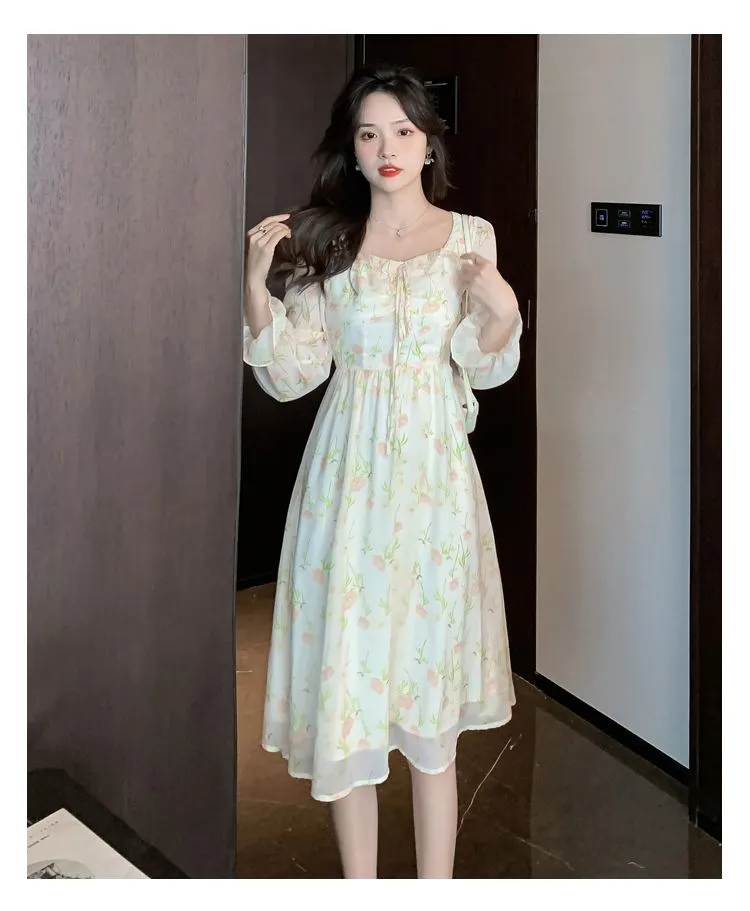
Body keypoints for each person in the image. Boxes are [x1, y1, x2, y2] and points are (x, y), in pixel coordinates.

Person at [242, 64, 522, 879]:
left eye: (403, 130)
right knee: (351, 691)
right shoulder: (330, 242)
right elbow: (293, 372)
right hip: (347, 483)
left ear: (430, 142)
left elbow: (481, 366)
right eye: (369, 133)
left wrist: (503, 311)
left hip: (436, 483)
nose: (387, 147)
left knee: (431, 701)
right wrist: (256, 288)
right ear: (353, 150)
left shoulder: (471, 238)